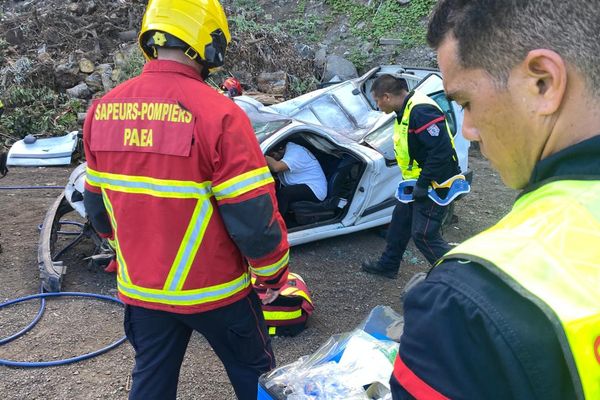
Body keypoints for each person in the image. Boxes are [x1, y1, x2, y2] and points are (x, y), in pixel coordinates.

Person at [390, 1, 600, 399]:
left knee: (427, 235)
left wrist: (448, 286)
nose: (467, 130)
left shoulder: (466, 304)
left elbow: (436, 154)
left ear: (543, 82)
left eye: (467, 102)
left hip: (436, 189)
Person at [82, 1, 290, 399]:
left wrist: (128, 252)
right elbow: (253, 218)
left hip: (143, 292)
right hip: (216, 291)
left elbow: (98, 209)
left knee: (152, 382)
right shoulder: (220, 114)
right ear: (210, 42)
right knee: (256, 377)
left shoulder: (102, 110)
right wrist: (273, 275)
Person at [361, 74, 460, 278]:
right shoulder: (405, 110)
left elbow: (440, 152)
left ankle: (458, 276)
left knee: (424, 234)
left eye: (377, 100)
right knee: (399, 223)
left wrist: (423, 184)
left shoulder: (421, 111)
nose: (378, 106)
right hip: (414, 181)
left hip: (435, 182)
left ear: (386, 97)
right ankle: (388, 266)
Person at [265, 141, 327, 218]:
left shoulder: (295, 153)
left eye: (273, 155)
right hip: (298, 183)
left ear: (281, 150)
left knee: (284, 193)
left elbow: (276, 167)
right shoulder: (286, 150)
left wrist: (262, 155)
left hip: (315, 189)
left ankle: (276, 223)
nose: (273, 159)